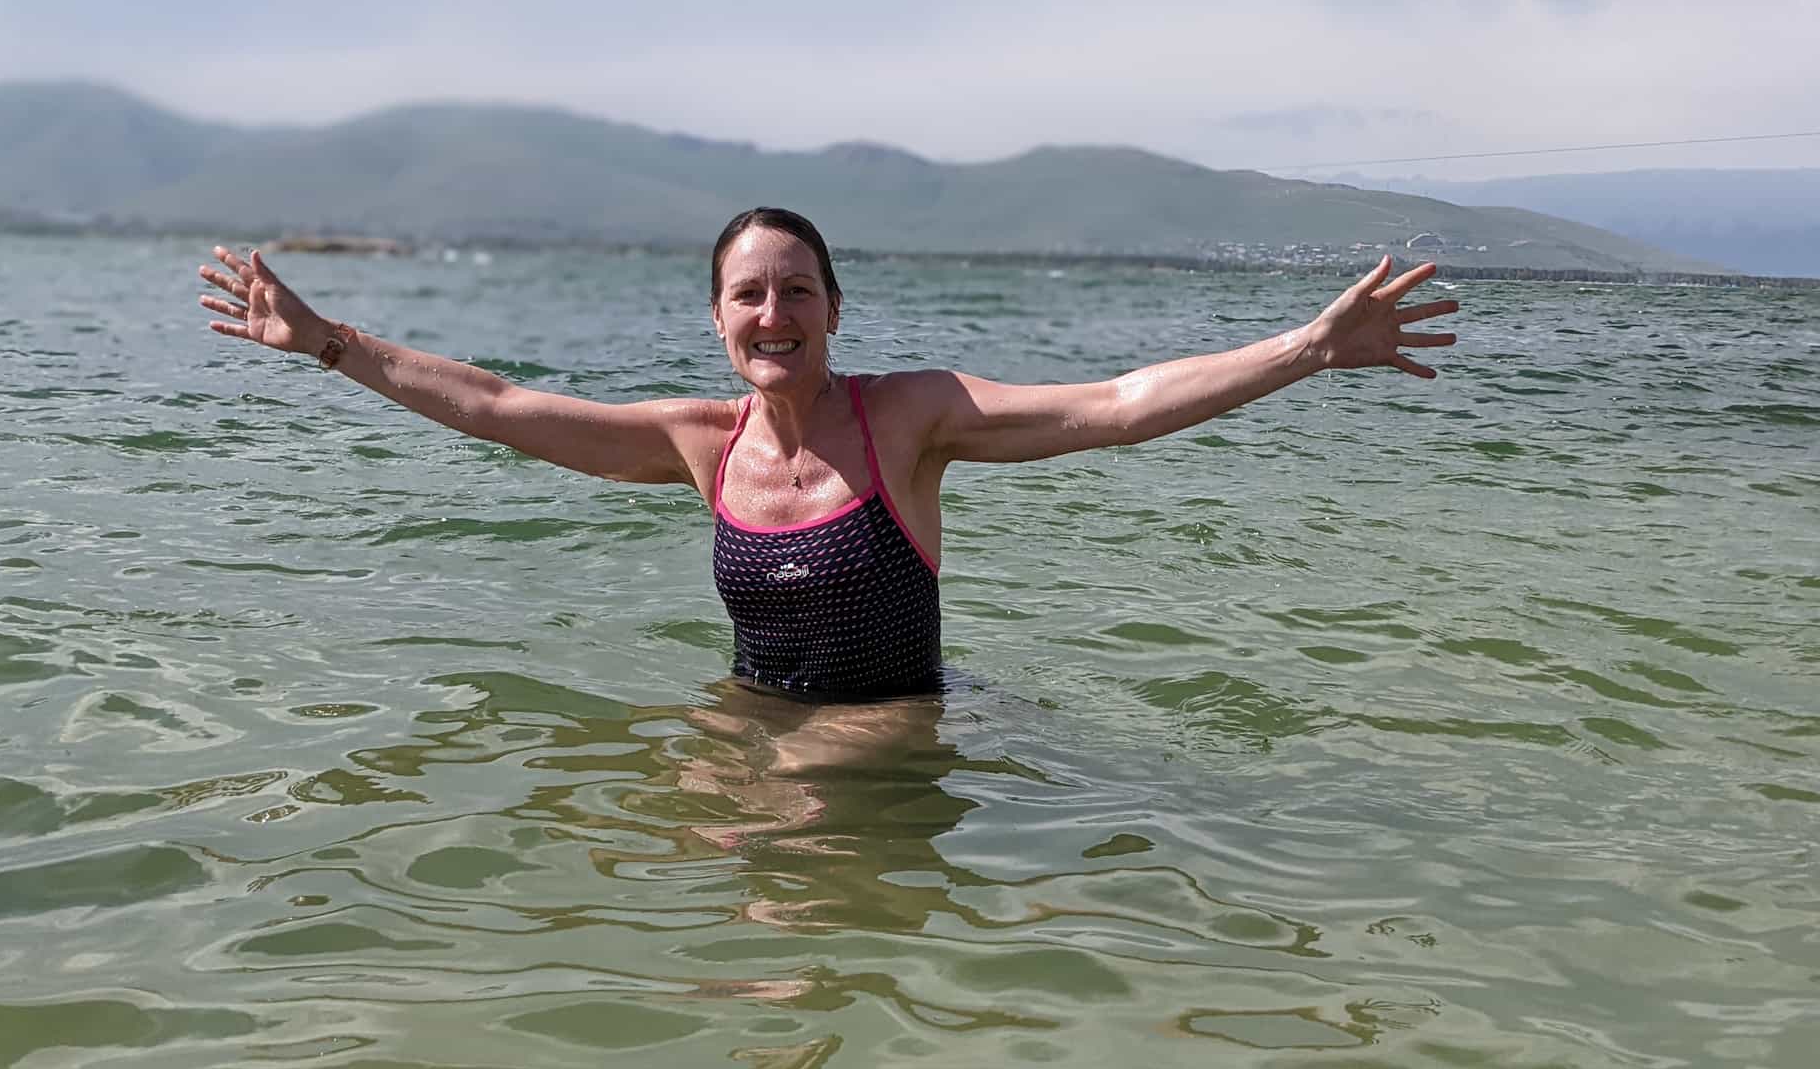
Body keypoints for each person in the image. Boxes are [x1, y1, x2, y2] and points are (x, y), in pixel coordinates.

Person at [198, 206, 1457, 700]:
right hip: (748, 717)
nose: (772, 315)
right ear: (716, 319)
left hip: (884, 730)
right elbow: (493, 404)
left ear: (833, 311)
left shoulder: (907, 419)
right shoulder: (698, 444)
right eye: (747, 295)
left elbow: (1117, 404)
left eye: (796, 291)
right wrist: (327, 343)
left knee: (790, 906)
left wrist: (1305, 346)